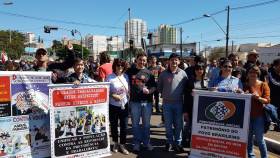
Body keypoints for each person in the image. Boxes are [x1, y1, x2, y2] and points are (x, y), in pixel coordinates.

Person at [126, 52, 156, 151]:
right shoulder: (130, 71)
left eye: (144, 60)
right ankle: (136, 143)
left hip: (147, 102)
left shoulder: (149, 73)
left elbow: (154, 86)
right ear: (136, 59)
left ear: (146, 61)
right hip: (134, 102)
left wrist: (149, 91)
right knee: (135, 124)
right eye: (140, 60)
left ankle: (146, 142)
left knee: (146, 124)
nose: (142, 62)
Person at [158, 53, 188, 152]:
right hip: (166, 104)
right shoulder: (163, 74)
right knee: (168, 125)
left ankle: (178, 143)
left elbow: (186, 88)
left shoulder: (183, 73)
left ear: (179, 62)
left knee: (179, 124)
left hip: (179, 103)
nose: (174, 62)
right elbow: (160, 88)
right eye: (172, 60)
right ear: (168, 61)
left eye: (176, 60)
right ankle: (169, 142)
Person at [243, 65, 270, 158]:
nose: (253, 74)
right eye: (251, 72)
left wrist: (258, 98)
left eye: (255, 72)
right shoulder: (245, 85)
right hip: (247, 116)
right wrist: (240, 93)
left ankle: (264, 156)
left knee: (259, 139)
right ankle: (251, 156)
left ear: (258, 74)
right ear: (248, 74)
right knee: (248, 138)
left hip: (259, 116)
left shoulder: (263, 84)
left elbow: (267, 100)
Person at [106, 58, 130, 155]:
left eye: (122, 65)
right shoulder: (109, 77)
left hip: (124, 105)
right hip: (113, 105)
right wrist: (112, 95)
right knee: (114, 125)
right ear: (114, 66)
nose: (120, 67)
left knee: (124, 126)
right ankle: (115, 143)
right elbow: (105, 90)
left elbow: (128, 90)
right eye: (118, 65)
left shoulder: (126, 76)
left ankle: (122, 144)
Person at [183, 62, 208, 147]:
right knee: (188, 126)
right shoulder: (189, 81)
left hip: (202, 110)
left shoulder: (207, 82)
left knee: (199, 127)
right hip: (190, 107)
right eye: (197, 69)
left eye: (201, 69)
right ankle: (185, 141)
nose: (199, 71)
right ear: (194, 71)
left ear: (204, 70)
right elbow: (185, 97)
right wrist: (185, 111)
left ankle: (196, 143)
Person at [268, 58, 280, 131]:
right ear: (275, 66)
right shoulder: (270, 74)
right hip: (272, 99)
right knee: (274, 114)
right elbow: (275, 83)